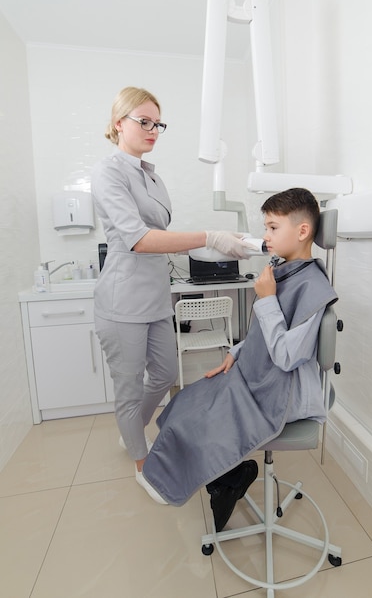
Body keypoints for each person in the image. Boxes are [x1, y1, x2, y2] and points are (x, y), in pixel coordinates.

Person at [91, 86, 255, 503]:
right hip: (122, 300)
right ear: (118, 124)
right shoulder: (109, 172)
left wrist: (217, 244)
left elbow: (164, 235)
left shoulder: (151, 175)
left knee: (165, 375)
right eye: (143, 121)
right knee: (128, 387)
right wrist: (207, 235)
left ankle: (131, 428)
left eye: (157, 123)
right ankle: (142, 462)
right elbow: (138, 239)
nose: (152, 130)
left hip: (155, 297)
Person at [142, 188, 338, 530]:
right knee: (189, 399)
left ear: (303, 231)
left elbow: (288, 355)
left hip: (282, 395)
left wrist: (265, 300)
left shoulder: (313, 287)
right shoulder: (284, 270)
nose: (266, 236)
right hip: (256, 373)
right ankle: (229, 476)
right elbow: (263, 334)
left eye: (273, 228)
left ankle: (223, 478)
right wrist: (236, 353)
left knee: (197, 420)